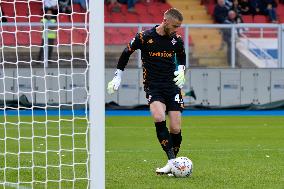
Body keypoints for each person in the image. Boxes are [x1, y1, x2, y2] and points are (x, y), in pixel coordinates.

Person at [107, 8, 186, 175]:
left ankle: (171, 164)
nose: (176, 30)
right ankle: (172, 161)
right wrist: (117, 76)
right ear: (165, 21)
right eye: (174, 26)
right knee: (158, 116)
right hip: (153, 85)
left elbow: (182, 56)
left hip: (172, 87)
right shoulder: (144, 37)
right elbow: (126, 52)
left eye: (178, 27)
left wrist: (182, 70)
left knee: (176, 128)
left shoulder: (176, 40)